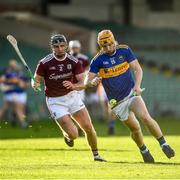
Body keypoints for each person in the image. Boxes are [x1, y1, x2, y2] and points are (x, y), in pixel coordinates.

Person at [65, 30, 175, 163]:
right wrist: (91, 83)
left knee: (145, 117)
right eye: (104, 46)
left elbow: (137, 69)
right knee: (135, 129)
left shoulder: (125, 50)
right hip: (117, 103)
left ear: (113, 41)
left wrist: (137, 86)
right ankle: (143, 149)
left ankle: (163, 143)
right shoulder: (97, 60)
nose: (108, 48)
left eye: (110, 44)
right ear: (100, 46)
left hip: (131, 94)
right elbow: (87, 81)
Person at [32, 34, 105, 162]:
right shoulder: (44, 63)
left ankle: (96, 156)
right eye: (56, 47)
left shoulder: (74, 62)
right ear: (52, 48)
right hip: (55, 102)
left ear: (66, 46)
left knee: (88, 126)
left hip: (72, 97)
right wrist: (35, 84)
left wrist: (73, 85)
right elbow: (36, 81)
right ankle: (68, 136)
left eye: (62, 46)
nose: (60, 49)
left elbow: (83, 84)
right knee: (74, 134)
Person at [0, 59, 28, 128]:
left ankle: (15, 119)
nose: (14, 66)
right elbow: (2, 80)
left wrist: (22, 84)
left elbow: (25, 84)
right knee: (16, 108)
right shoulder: (7, 73)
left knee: (18, 109)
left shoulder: (20, 73)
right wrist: (15, 81)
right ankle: (23, 123)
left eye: (14, 64)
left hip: (20, 93)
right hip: (12, 93)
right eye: (12, 64)